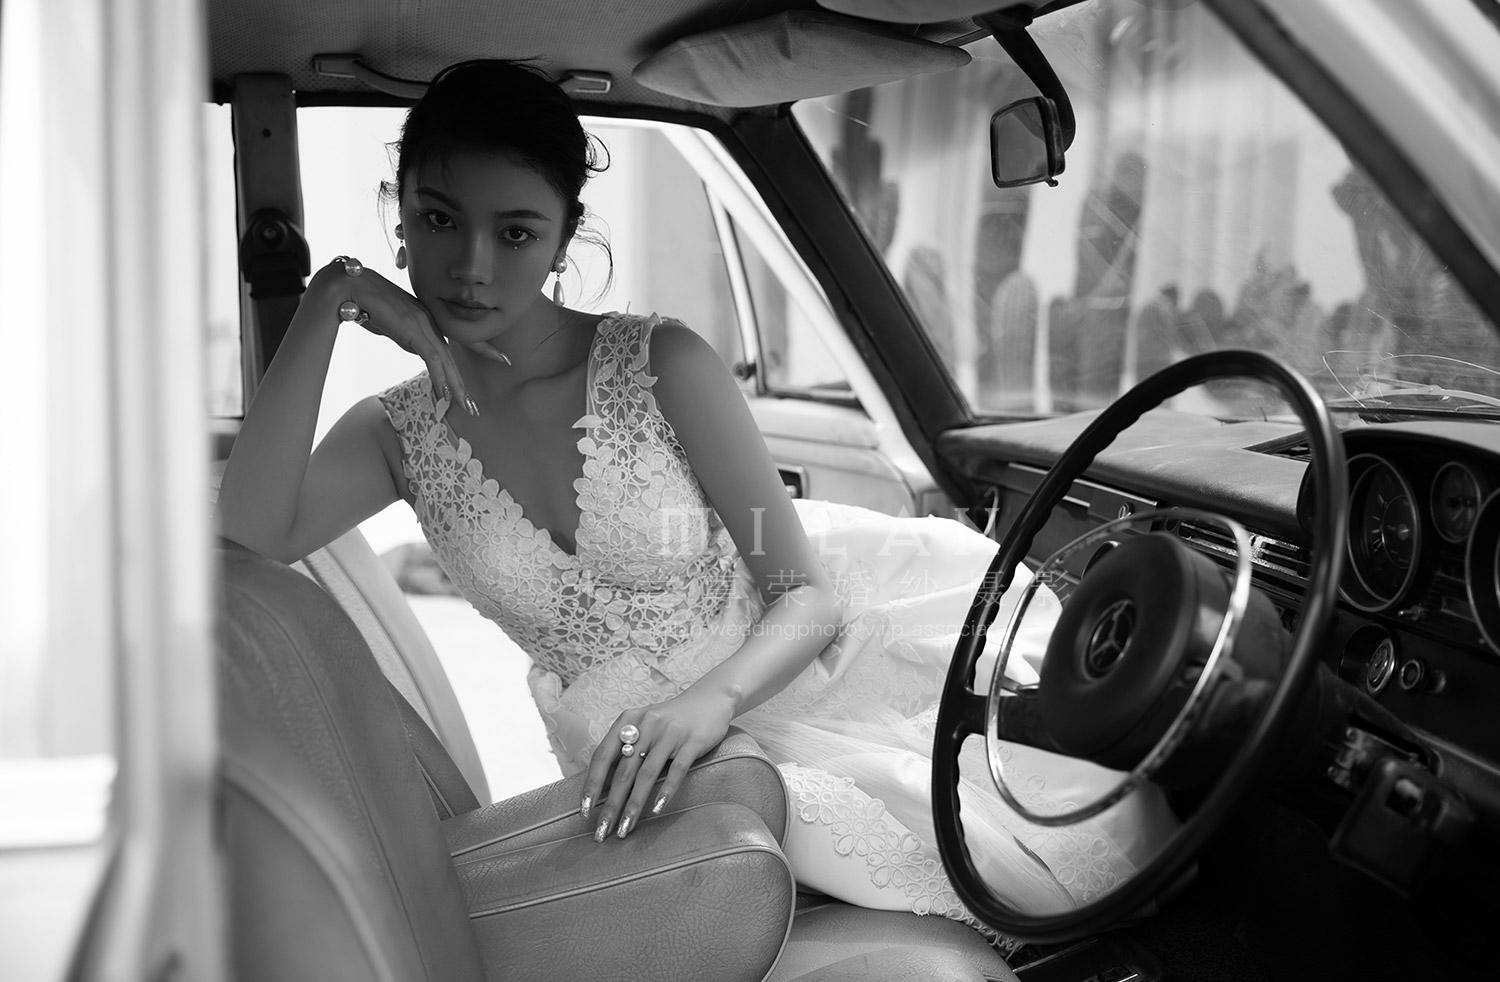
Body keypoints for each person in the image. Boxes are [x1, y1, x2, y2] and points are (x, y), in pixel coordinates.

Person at [218, 60, 1176, 944]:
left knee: (1046, 833)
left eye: (515, 233)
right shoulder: (396, 433)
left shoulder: (661, 364)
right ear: (399, 219)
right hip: (640, 762)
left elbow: (805, 595)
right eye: (439, 220)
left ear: (562, 240)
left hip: (778, 680)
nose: (471, 266)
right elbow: (243, 538)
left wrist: (705, 704)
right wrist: (330, 299)